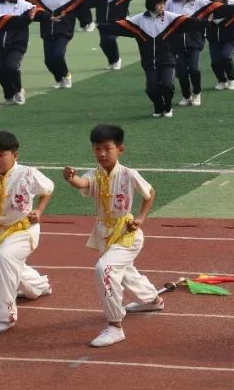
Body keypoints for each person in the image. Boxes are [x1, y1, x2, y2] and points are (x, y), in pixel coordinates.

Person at [62, 124, 163, 347]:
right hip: (105, 235)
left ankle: (115, 325)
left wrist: (141, 218)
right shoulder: (95, 174)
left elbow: (150, 193)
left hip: (127, 234)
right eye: (97, 149)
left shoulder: (129, 174)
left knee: (104, 269)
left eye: (107, 148)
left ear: (120, 149)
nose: (102, 154)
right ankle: (152, 299)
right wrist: (71, 179)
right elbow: (83, 183)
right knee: (125, 272)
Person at [0, 131, 53, 333]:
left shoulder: (28, 174)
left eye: (1, 155)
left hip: (23, 229)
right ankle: (39, 286)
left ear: (15, 155)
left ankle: (4, 317)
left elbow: (48, 189)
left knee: (5, 259)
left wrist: (38, 210)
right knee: (8, 263)